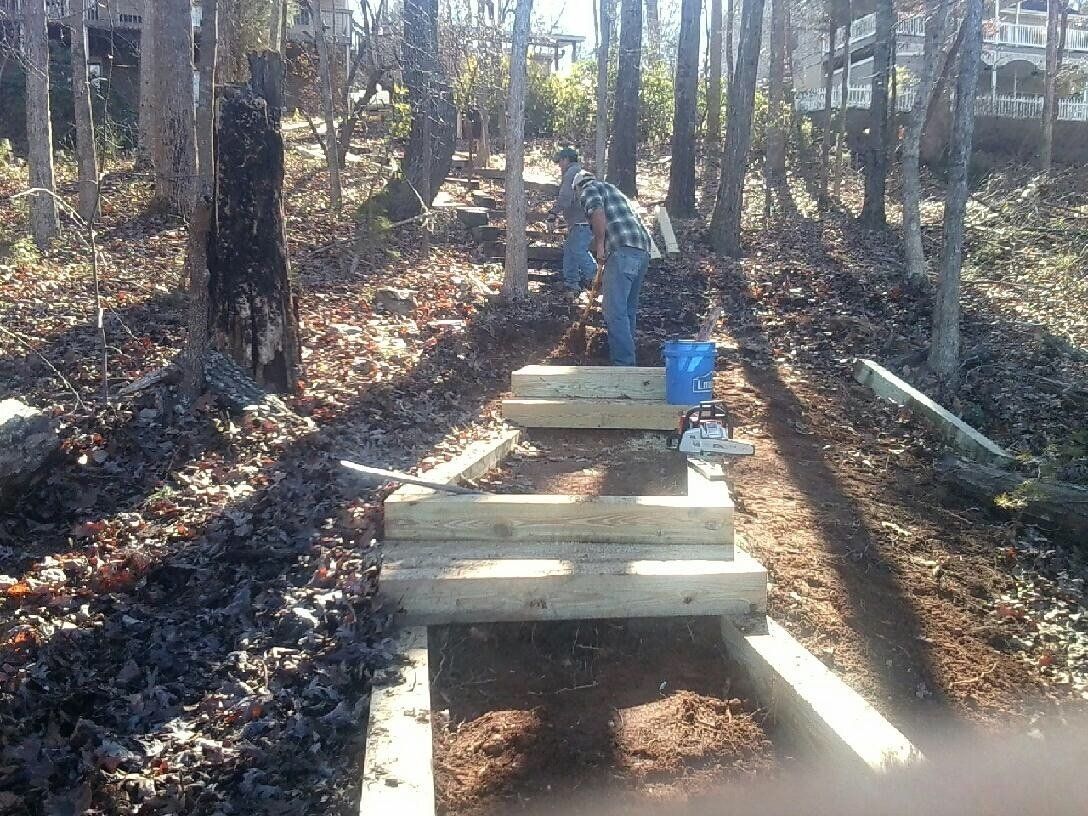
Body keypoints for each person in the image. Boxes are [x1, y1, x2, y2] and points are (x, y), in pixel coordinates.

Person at [572, 169, 652, 367]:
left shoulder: (589, 189)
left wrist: (600, 245)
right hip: (642, 250)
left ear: (578, 187)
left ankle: (624, 363)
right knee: (627, 309)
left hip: (622, 249)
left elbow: (597, 212)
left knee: (613, 310)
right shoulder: (614, 190)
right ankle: (628, 359)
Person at [548, 147, 597, 296]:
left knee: (578, 250)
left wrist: (553, 213)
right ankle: (571, 283)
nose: (559, 165)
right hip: (582, 220)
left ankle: (597, 277)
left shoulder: (571, 173)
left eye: (560, 161)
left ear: (566, 160)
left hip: (582, 221)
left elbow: (565, 198)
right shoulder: (581, 172)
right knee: (570, 250)